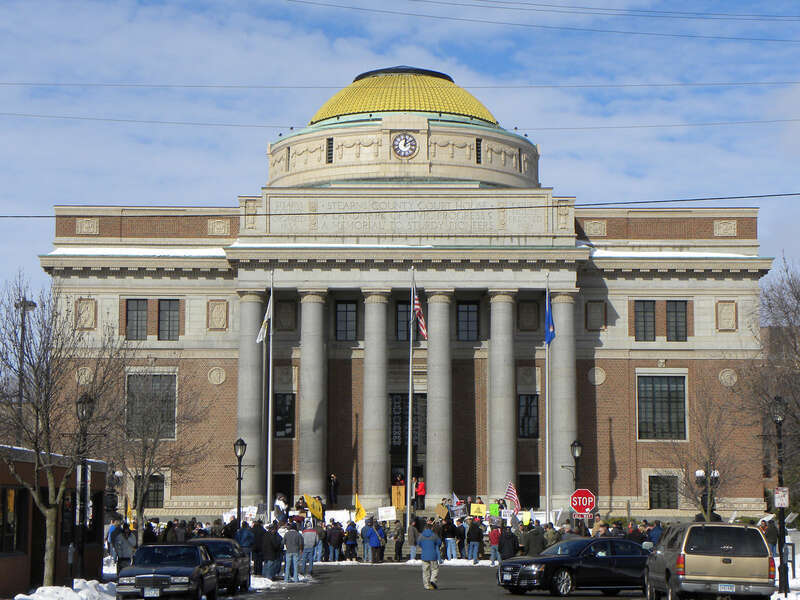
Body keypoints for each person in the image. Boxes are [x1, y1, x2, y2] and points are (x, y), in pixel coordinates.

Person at [418, 519, 442, 590]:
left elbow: (419, 543)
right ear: (431, 528)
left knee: (425, 571)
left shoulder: (421, 535)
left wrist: (424, 546)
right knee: (435, 569)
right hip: (433, 554)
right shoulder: (434, 535)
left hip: (424, 555)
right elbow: (439, 542)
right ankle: (433, 580)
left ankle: (426, 585)